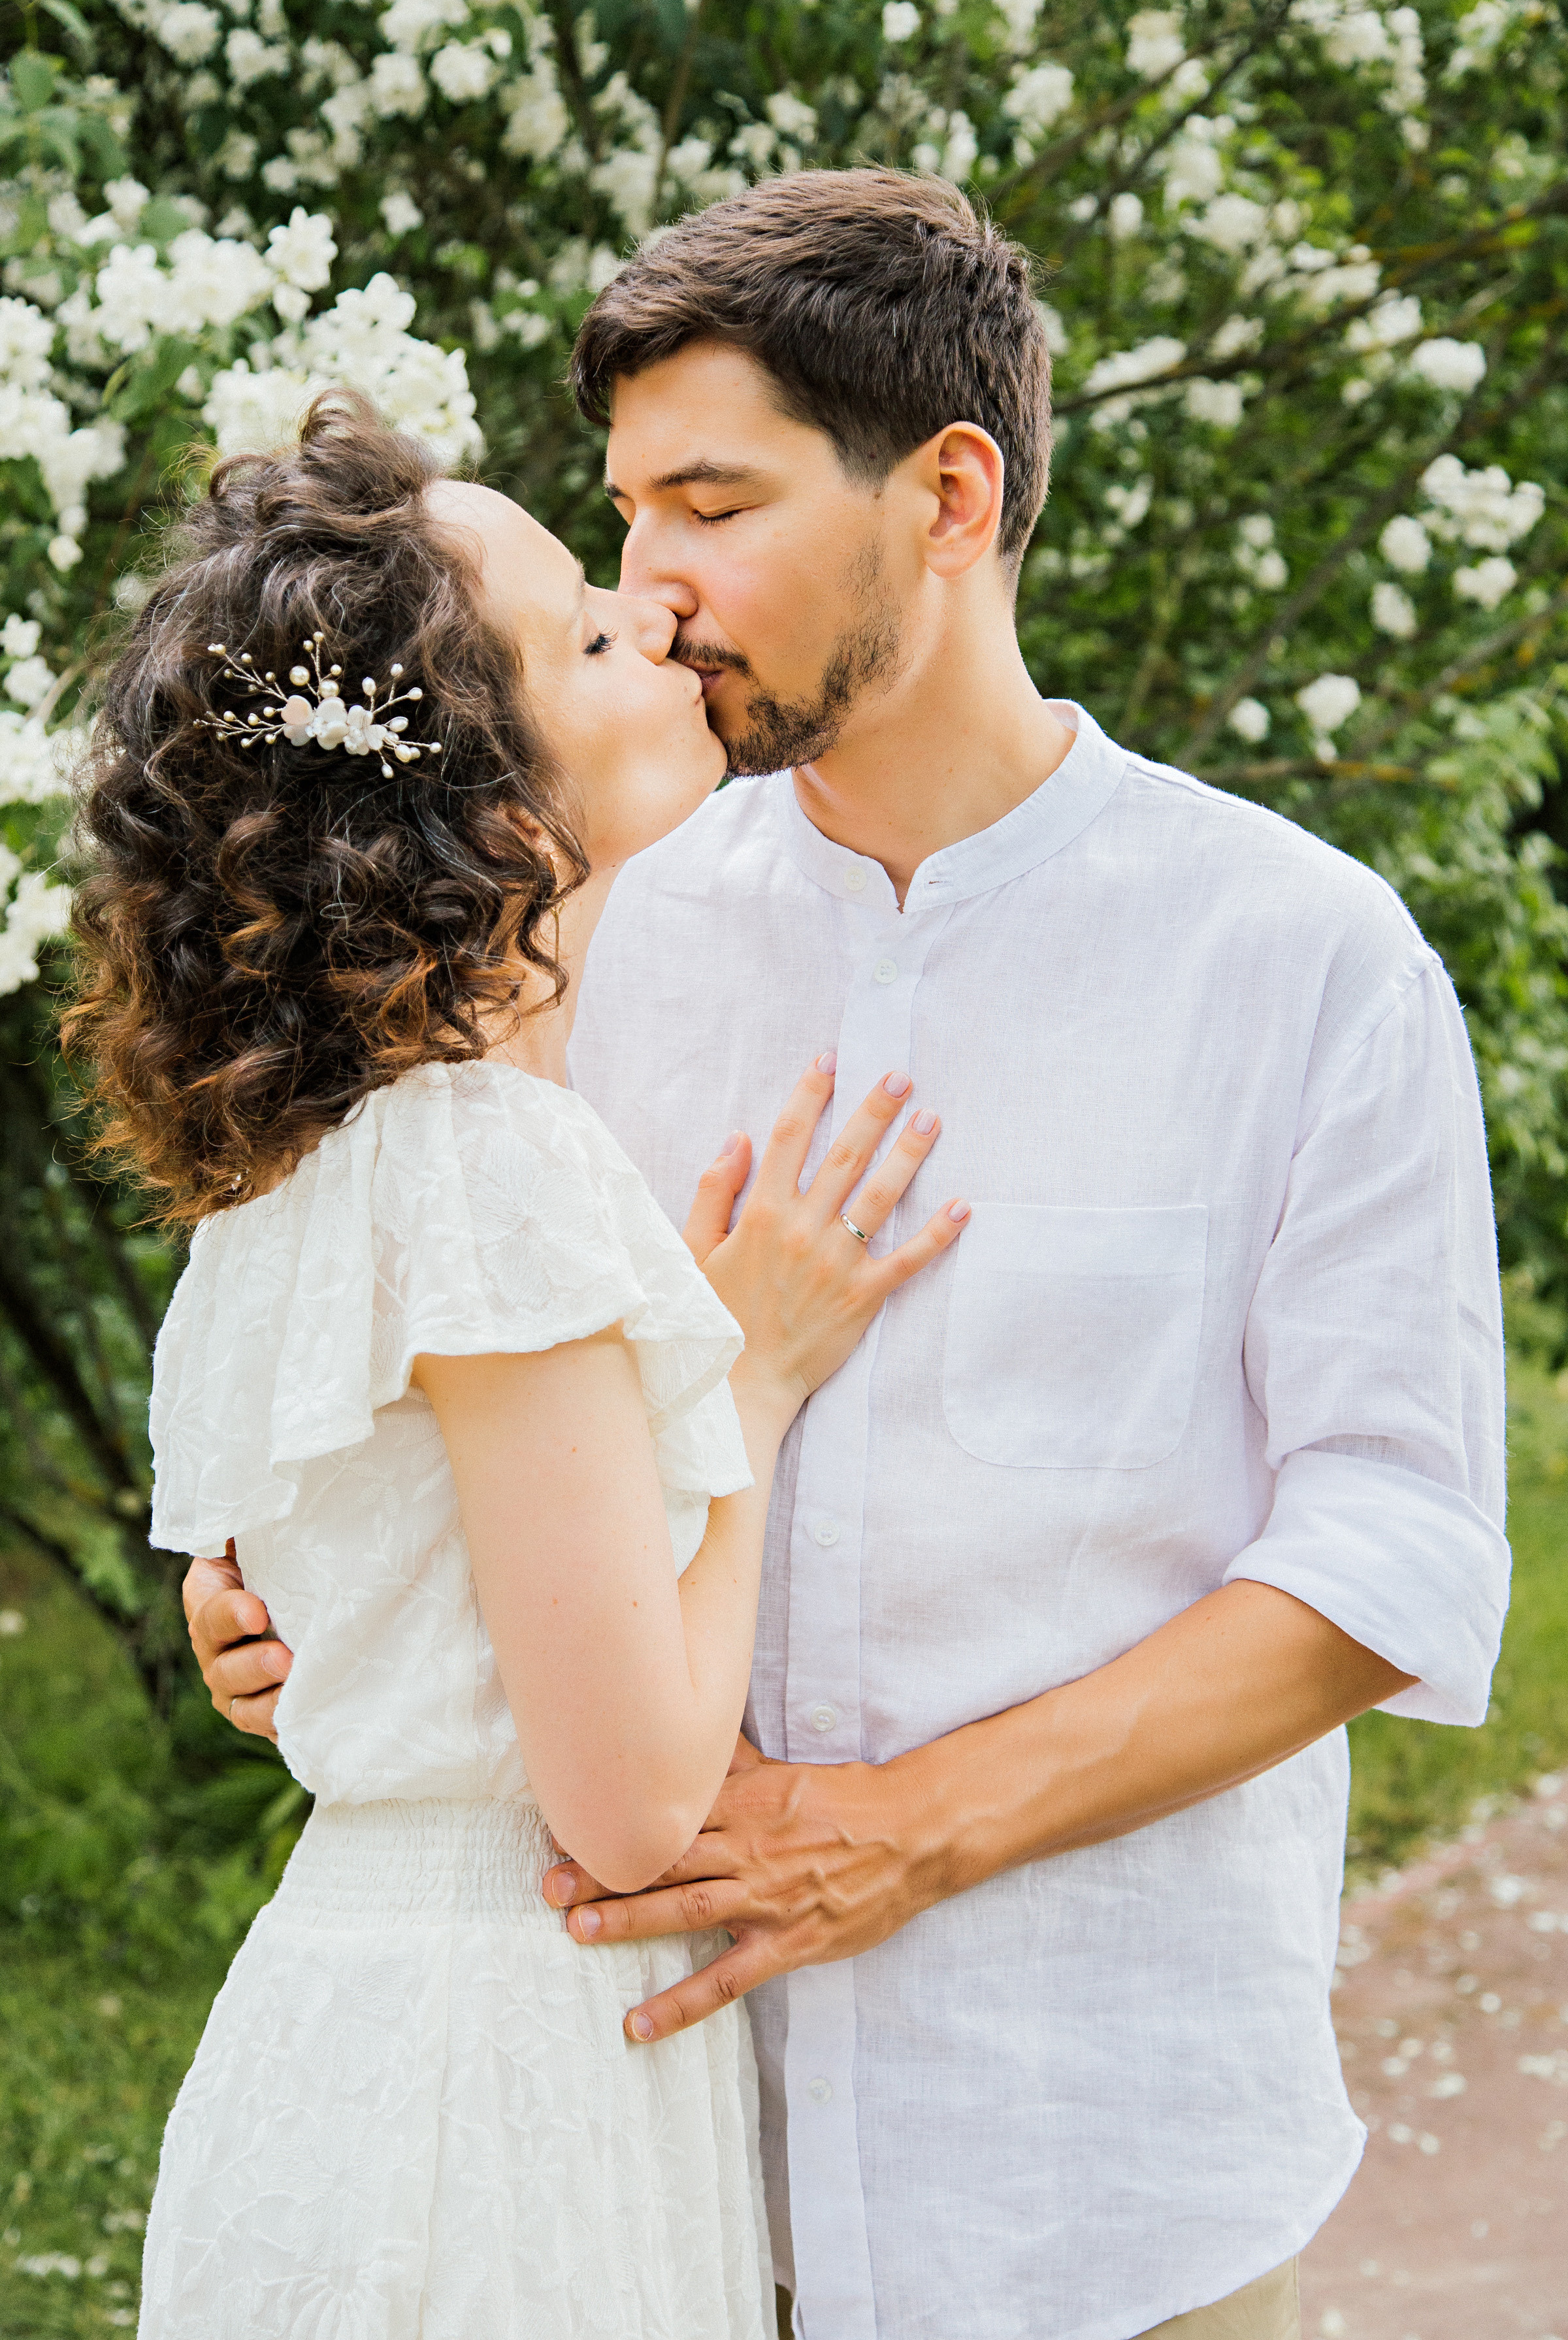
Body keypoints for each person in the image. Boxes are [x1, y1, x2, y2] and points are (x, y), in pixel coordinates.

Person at [187, 173, 1511, 2340]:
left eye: (711, 505)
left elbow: (1400, 1545)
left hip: (1105, 2175)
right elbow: (436, 1360)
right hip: (644, 2176)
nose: (655, 588)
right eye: (622, 520)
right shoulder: (579, 937)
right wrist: (295, 1579)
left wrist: (914, 1829)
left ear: (950, 496)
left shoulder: (1300, 958)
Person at [66, 389, 966, 2338]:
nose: (651, 616)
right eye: (584, 630)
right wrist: (757, 1372)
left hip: (352, 2024)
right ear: (493, 810)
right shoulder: (486, 1160)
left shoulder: (312, 1157)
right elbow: (633, 1806)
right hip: (500, 2074)